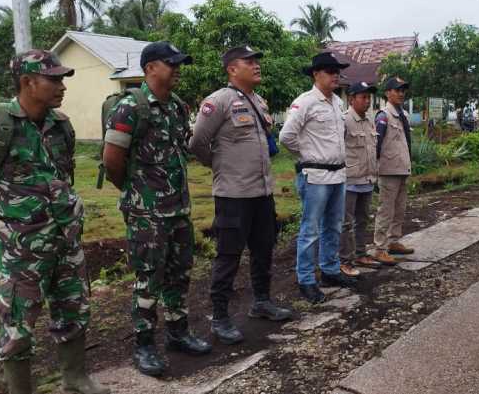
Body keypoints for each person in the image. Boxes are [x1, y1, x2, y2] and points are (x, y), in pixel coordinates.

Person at [0, 50, 108, 394]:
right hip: (21, 251)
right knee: (18, 325)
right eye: (54, 79)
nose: (62, 86)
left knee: (75, 310)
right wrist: (4, 216)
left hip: (66, 242)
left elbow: (63, 176)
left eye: (63, 79)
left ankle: (75, 379)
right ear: (27, 82)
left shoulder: (60, 124)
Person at [102, 41, 211, 376]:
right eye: (171, 63)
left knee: (179, 274)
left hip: (178, 209)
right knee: (149, 278)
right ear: (150, 68)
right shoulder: (130, 107)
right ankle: (144, 344)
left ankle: (178, 333)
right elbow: (112, 162)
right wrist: (139, 195)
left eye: (178, 64)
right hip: (147, 213)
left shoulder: (177, 106)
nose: (177, 69)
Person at [190, 46, 292, 345]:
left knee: (264, 249)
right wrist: (218, 165)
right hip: (233, 195)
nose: (256, 65)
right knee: (228, 255)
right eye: (249, 61)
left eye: (257, 60)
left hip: (262, 192)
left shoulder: (258, 102)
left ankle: (262, 301)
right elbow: (198, 142)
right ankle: (220, 316)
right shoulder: (218, 101)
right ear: (232, 69)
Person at [280, 52, 357, 304]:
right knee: (310, 230)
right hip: (315, 175)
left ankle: (330, 271)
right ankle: (306, 280)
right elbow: (286, 136)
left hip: (338, 174)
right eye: (329, 71)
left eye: (337, 71)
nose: (336, 75)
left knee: (333, 226)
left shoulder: (337, 102)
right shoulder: (305, 102)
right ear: (316, 74)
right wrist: (308, 156)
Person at [340, 81, 388, 273]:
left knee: (363, 220)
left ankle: (360, 254)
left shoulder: (369, 121)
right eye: (363, 97)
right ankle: (344, 260)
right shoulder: (344, 120)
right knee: (345, 223)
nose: (367, 101)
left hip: (367, 180)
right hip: (350, 180)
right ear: (351, 99)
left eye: (369, 97)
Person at [371, 76, 415, 265]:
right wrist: (375, 171)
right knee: (386, 211)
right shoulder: (383, 116)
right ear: (388, 93)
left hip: (402, 169)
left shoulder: (402, 114)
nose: (401, 93)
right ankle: (379, 248)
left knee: (400, 209)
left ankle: (393, 241)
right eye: (397, 90)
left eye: (403, 90)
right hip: (388, 171)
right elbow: (376, 145)